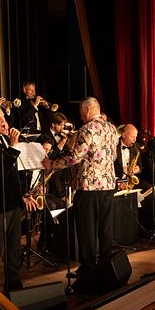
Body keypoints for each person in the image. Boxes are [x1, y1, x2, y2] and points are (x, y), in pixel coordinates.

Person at [43, 97, 119, 275]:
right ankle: (107, 265)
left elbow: (74, 157)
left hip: (88, 187)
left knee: (87, 229)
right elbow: (114, 156)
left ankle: (88, 268)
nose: (81, 116)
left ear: (86, 111)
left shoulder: (87, 129)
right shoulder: (112, 128)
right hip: (108, 184)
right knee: (105, 227)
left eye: (80, 113)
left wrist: (51, 164)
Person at [0, 105, 38, 292]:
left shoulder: (3, 139)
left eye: (3, 117)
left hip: (12, 201)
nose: (4, 121)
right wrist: (12, 147)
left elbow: (13, 174)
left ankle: (13, 283)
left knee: (13, 246)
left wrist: (23, 195)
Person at [114, 124, 150, 191]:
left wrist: (138, 169)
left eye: (136, 137)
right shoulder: (114, 145)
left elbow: (140, 166)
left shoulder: (136, 147)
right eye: (132, 137)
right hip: (117, 181)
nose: (134, 140)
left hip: (131, 180)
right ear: (123, 135)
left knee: (149, 189)